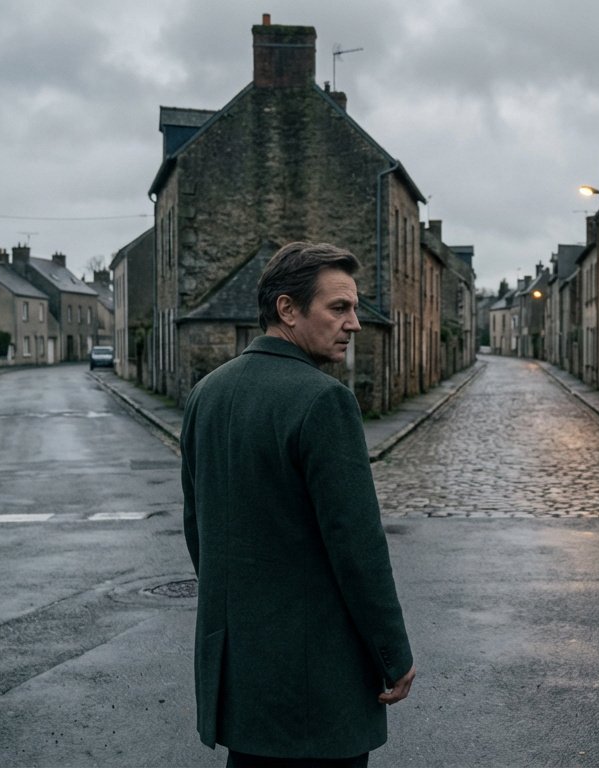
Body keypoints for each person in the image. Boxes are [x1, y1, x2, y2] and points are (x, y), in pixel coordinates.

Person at [181, 241, 415, 768]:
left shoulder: (206, 394)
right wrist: (392, 654)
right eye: (339, 308)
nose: (354, 323)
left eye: (353, 308)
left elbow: (199, 530)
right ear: (287, 309)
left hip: (239, 677)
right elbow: (357, 548)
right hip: (315, 686)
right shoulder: (324, 400)